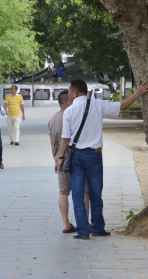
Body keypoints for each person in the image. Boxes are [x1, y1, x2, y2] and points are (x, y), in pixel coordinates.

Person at [57, 79, 148, 239]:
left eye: (69, 92)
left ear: (74, 93)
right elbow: (121, 106)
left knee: (78, 195)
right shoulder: (98, 105)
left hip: (77, 157)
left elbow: (65, 139)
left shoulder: (69, 111)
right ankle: (98, 228)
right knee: (95, 193)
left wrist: (60, 158)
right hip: (95, 155)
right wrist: (137, 93)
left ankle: (82, 231)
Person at [49, 90, 89, 233]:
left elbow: (52, 143)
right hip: (76, 157)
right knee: (84, 191)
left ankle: (66, 223)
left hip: (60, 159)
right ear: (66, 102)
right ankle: (85, 223)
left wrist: (57, 159)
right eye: (72, 100)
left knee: (63, 191)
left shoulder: (53, 119)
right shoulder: (72, 115)